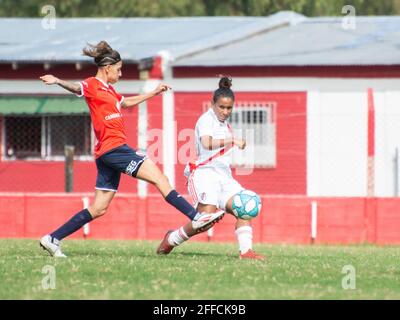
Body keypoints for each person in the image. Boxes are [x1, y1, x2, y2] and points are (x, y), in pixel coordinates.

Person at [38, 41, 224, 257]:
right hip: (114, 149)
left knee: (99, 208)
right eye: (118, 69)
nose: (121, 73)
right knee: (160, 179)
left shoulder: (110, 91)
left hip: (106, 154)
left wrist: (153, 93)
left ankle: (52, 238)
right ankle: (196, 216)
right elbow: (77, 88)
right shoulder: (92, 85)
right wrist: (57, 80)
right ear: (107, 68)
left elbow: (125, 103)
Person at [156, 76, 265, 260]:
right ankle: (171, 238)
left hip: (224, 176)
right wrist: (233, 139)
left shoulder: (225, 124)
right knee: (204, 220)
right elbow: (206, 143)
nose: (225, 111)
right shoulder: (206, 119)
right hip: (204, 174)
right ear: (212, 103)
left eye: (229, 108)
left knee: (245, 205)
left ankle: (246, 252)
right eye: (221, 107)